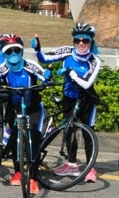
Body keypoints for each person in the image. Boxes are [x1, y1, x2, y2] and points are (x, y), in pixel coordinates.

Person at [33, 22, 101, 183]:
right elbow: (45, 58)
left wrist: (72, 73)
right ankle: (71, 164)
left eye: (85, 40)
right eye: (78, 40)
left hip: (87, 99)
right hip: (69, 97)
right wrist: (37, 49)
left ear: (91, 41)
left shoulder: (94, 61)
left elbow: (86, 83)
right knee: (68, 130)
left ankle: (90, 168)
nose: (81, 44)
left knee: (87, 133)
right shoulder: (67, 52)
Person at [0, 34, 52, 195]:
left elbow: (44, 78)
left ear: (22, 51)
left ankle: (33, 179)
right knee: (15, 138)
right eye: (9, 51)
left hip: (33, 107)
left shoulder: (31, 65)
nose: (13, 54)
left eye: (17, 50)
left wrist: (47, 78)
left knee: (34, 139)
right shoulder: (2, 68)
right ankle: (17, 172)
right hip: (14, 107)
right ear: (3, 53)